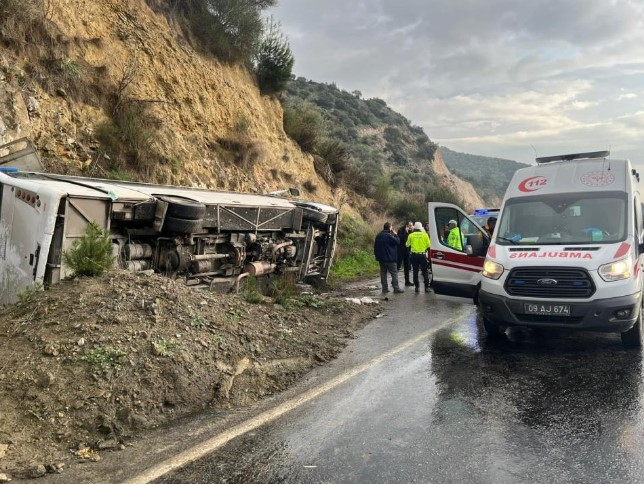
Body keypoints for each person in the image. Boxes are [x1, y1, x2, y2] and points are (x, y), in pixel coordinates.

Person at [374, 222, 404, 294]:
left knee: (383, 273)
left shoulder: (378, 236)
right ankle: (396, 288)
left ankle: (385, 288)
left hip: (381, 259)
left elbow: (375, 247)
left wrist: (377, 256)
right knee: (394, 273)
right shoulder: (389, 236)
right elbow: (397, 242)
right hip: (390, 259)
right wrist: (396, 235)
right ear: (390, 228)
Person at [406, 222, 431, 293]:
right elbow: (429, 245)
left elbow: (407, 245)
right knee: (425, 271)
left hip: (414, 255)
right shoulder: (425, 235)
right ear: (421, 228)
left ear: (415, 228)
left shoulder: (411, 235)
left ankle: (417, 287)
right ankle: (426, 287)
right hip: (422, 255)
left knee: (415, 271)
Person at [397, 221, 414, 287]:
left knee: (407, 267)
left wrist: (412, 232)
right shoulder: (401, 230)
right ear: (407, 225)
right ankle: (394, 281)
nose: (411, 227)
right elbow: (402, 239)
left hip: (407, 251)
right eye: (410, 225)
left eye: (412, 225)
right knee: (398, 266)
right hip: (400, 250)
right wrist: (406, 232)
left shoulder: (411, 231)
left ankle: (407, 281)